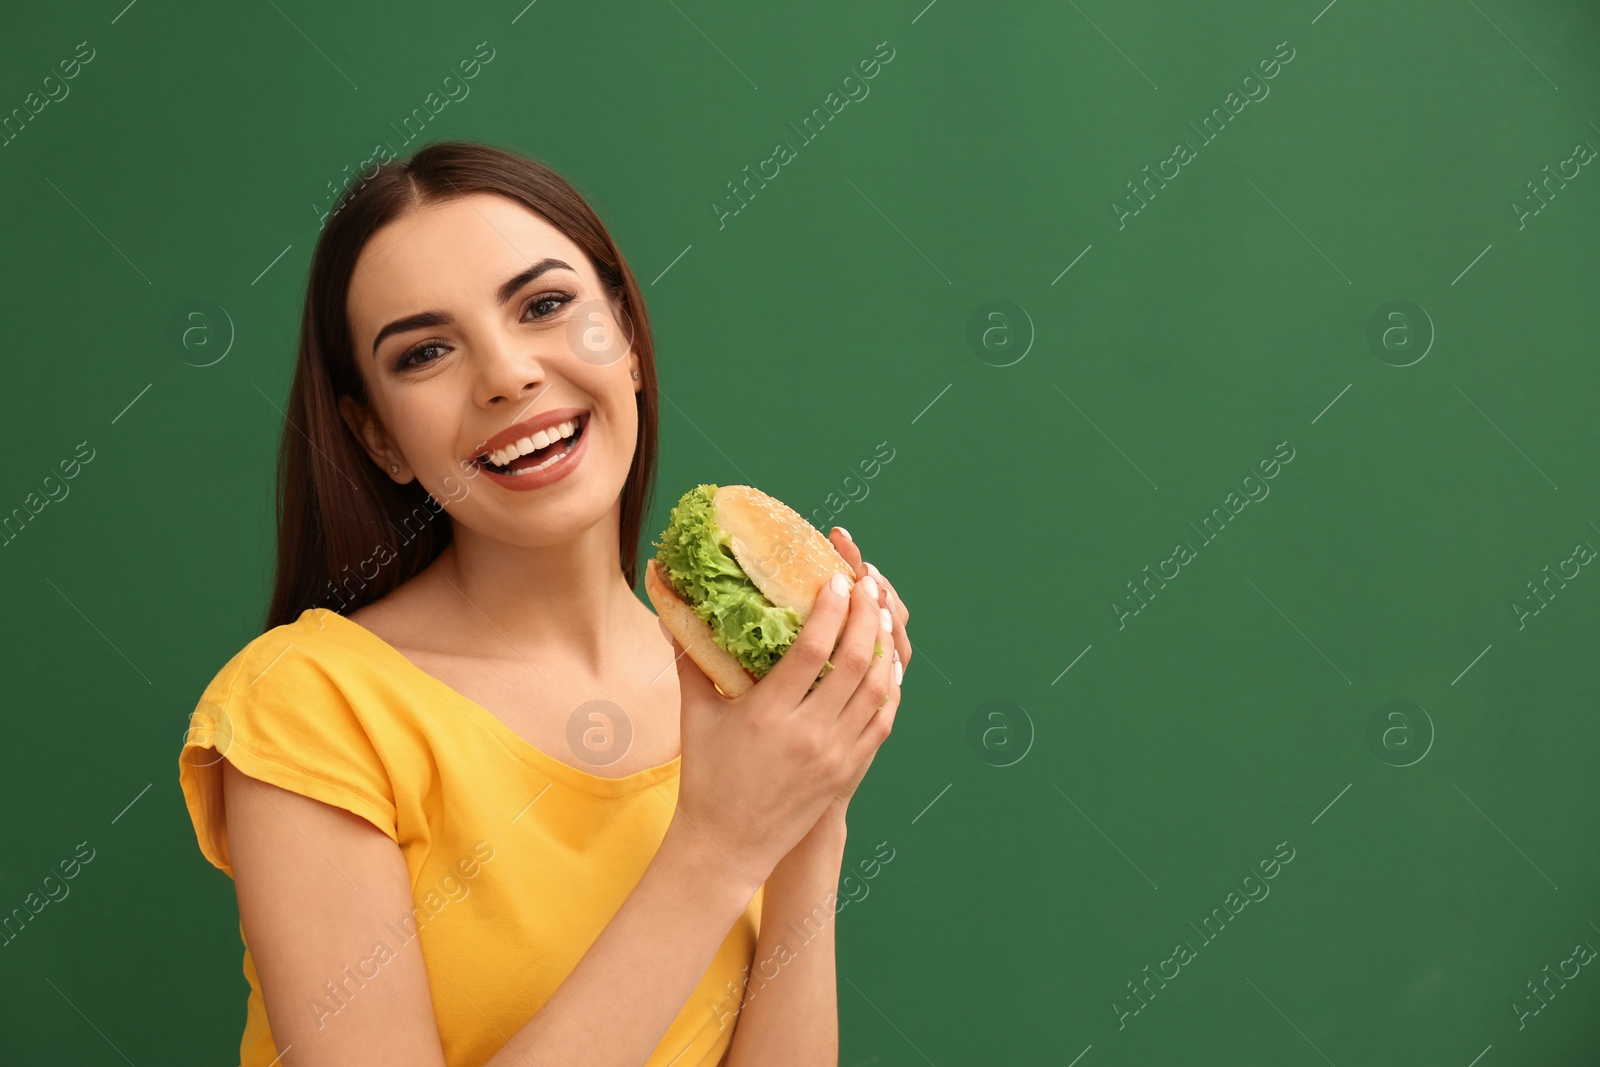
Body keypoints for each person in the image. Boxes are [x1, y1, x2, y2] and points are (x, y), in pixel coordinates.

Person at [176, 139, 912, 1067]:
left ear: (630, 343)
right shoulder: (310, 706)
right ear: (380, 438)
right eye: (426, 351)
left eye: (545, 305)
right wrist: (719, 846)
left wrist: (814, 806)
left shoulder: (742, 708)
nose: (507, 374)